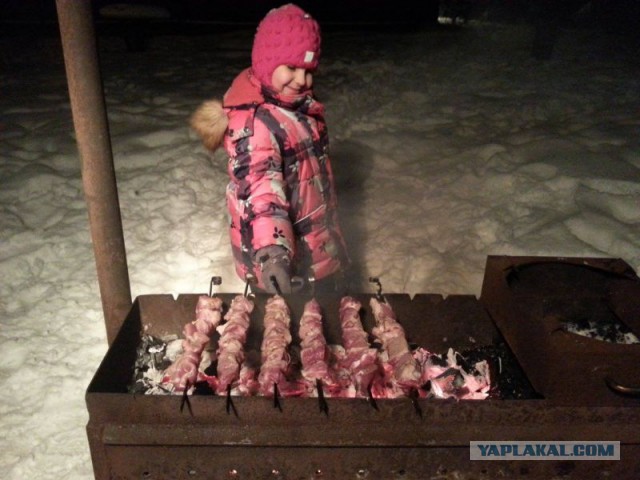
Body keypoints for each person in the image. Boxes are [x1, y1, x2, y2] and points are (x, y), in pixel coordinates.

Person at [191, 3, 350, 294]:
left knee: (318, 326)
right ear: (267, 63)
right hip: (278, 262)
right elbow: (261, 191)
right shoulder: (257, 123)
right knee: (282, 329)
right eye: (291, 67)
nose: (302, 80)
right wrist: (272, 254)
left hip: (311, 249)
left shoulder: (296, 109)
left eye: (308, 70)